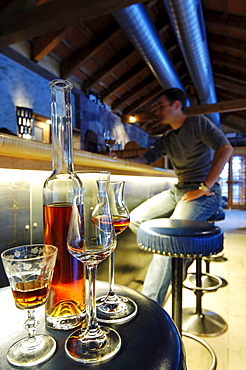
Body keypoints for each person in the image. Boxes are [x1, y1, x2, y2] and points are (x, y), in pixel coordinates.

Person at [128, 88, 233, 306]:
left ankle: (150, 310)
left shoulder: (197, 123)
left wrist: (205, 187)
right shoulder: (167, 138)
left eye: (161, 105)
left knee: (169, 243)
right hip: (179, 189)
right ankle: (178, 254)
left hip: (204, 192)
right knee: (135, 219)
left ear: (177, 105)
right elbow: (148, 157)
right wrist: (115, 159)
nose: (157, 111)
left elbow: (225, 148)